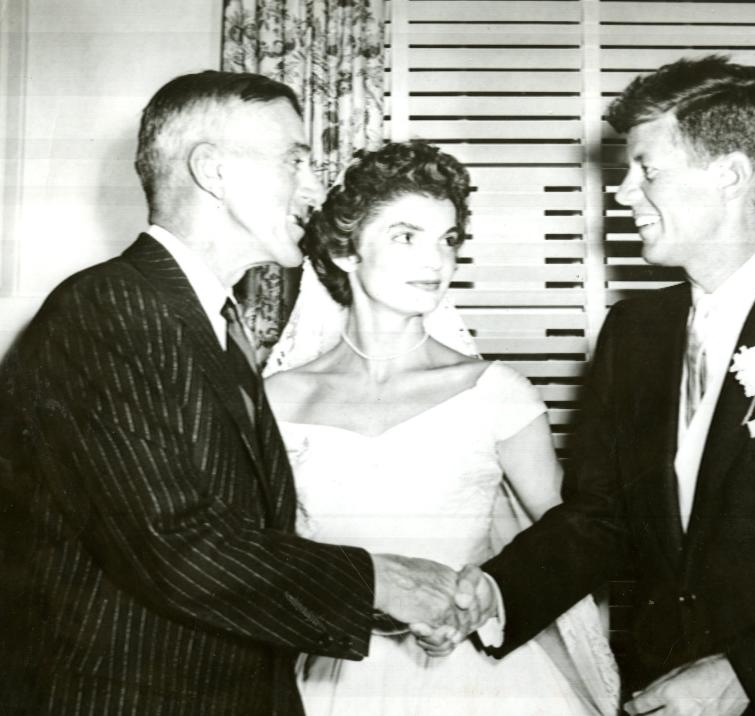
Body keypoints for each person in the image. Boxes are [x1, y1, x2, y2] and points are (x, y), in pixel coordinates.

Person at [446, 55, 755, 714]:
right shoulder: (631, 334)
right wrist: (495, 593)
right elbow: (599, 521)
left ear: (731, 175)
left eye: (647, 170)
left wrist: (747, 673)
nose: (622, 193)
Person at [0, 71, 472, 715]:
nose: (313, 186)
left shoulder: (213, 325)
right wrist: (380, 581)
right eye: (295, 160)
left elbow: (240, 540)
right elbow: (175, 546)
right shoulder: (109, 309)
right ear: (212, 171)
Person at [263, 140, 619, 716]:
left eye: (447, 240)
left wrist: (481, 602)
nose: (436, 262)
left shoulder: (496, 392)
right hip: (335, 682)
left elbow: (572, 541)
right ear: (347, 251)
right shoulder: (278, 398)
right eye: (406, 236)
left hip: (482, 683)